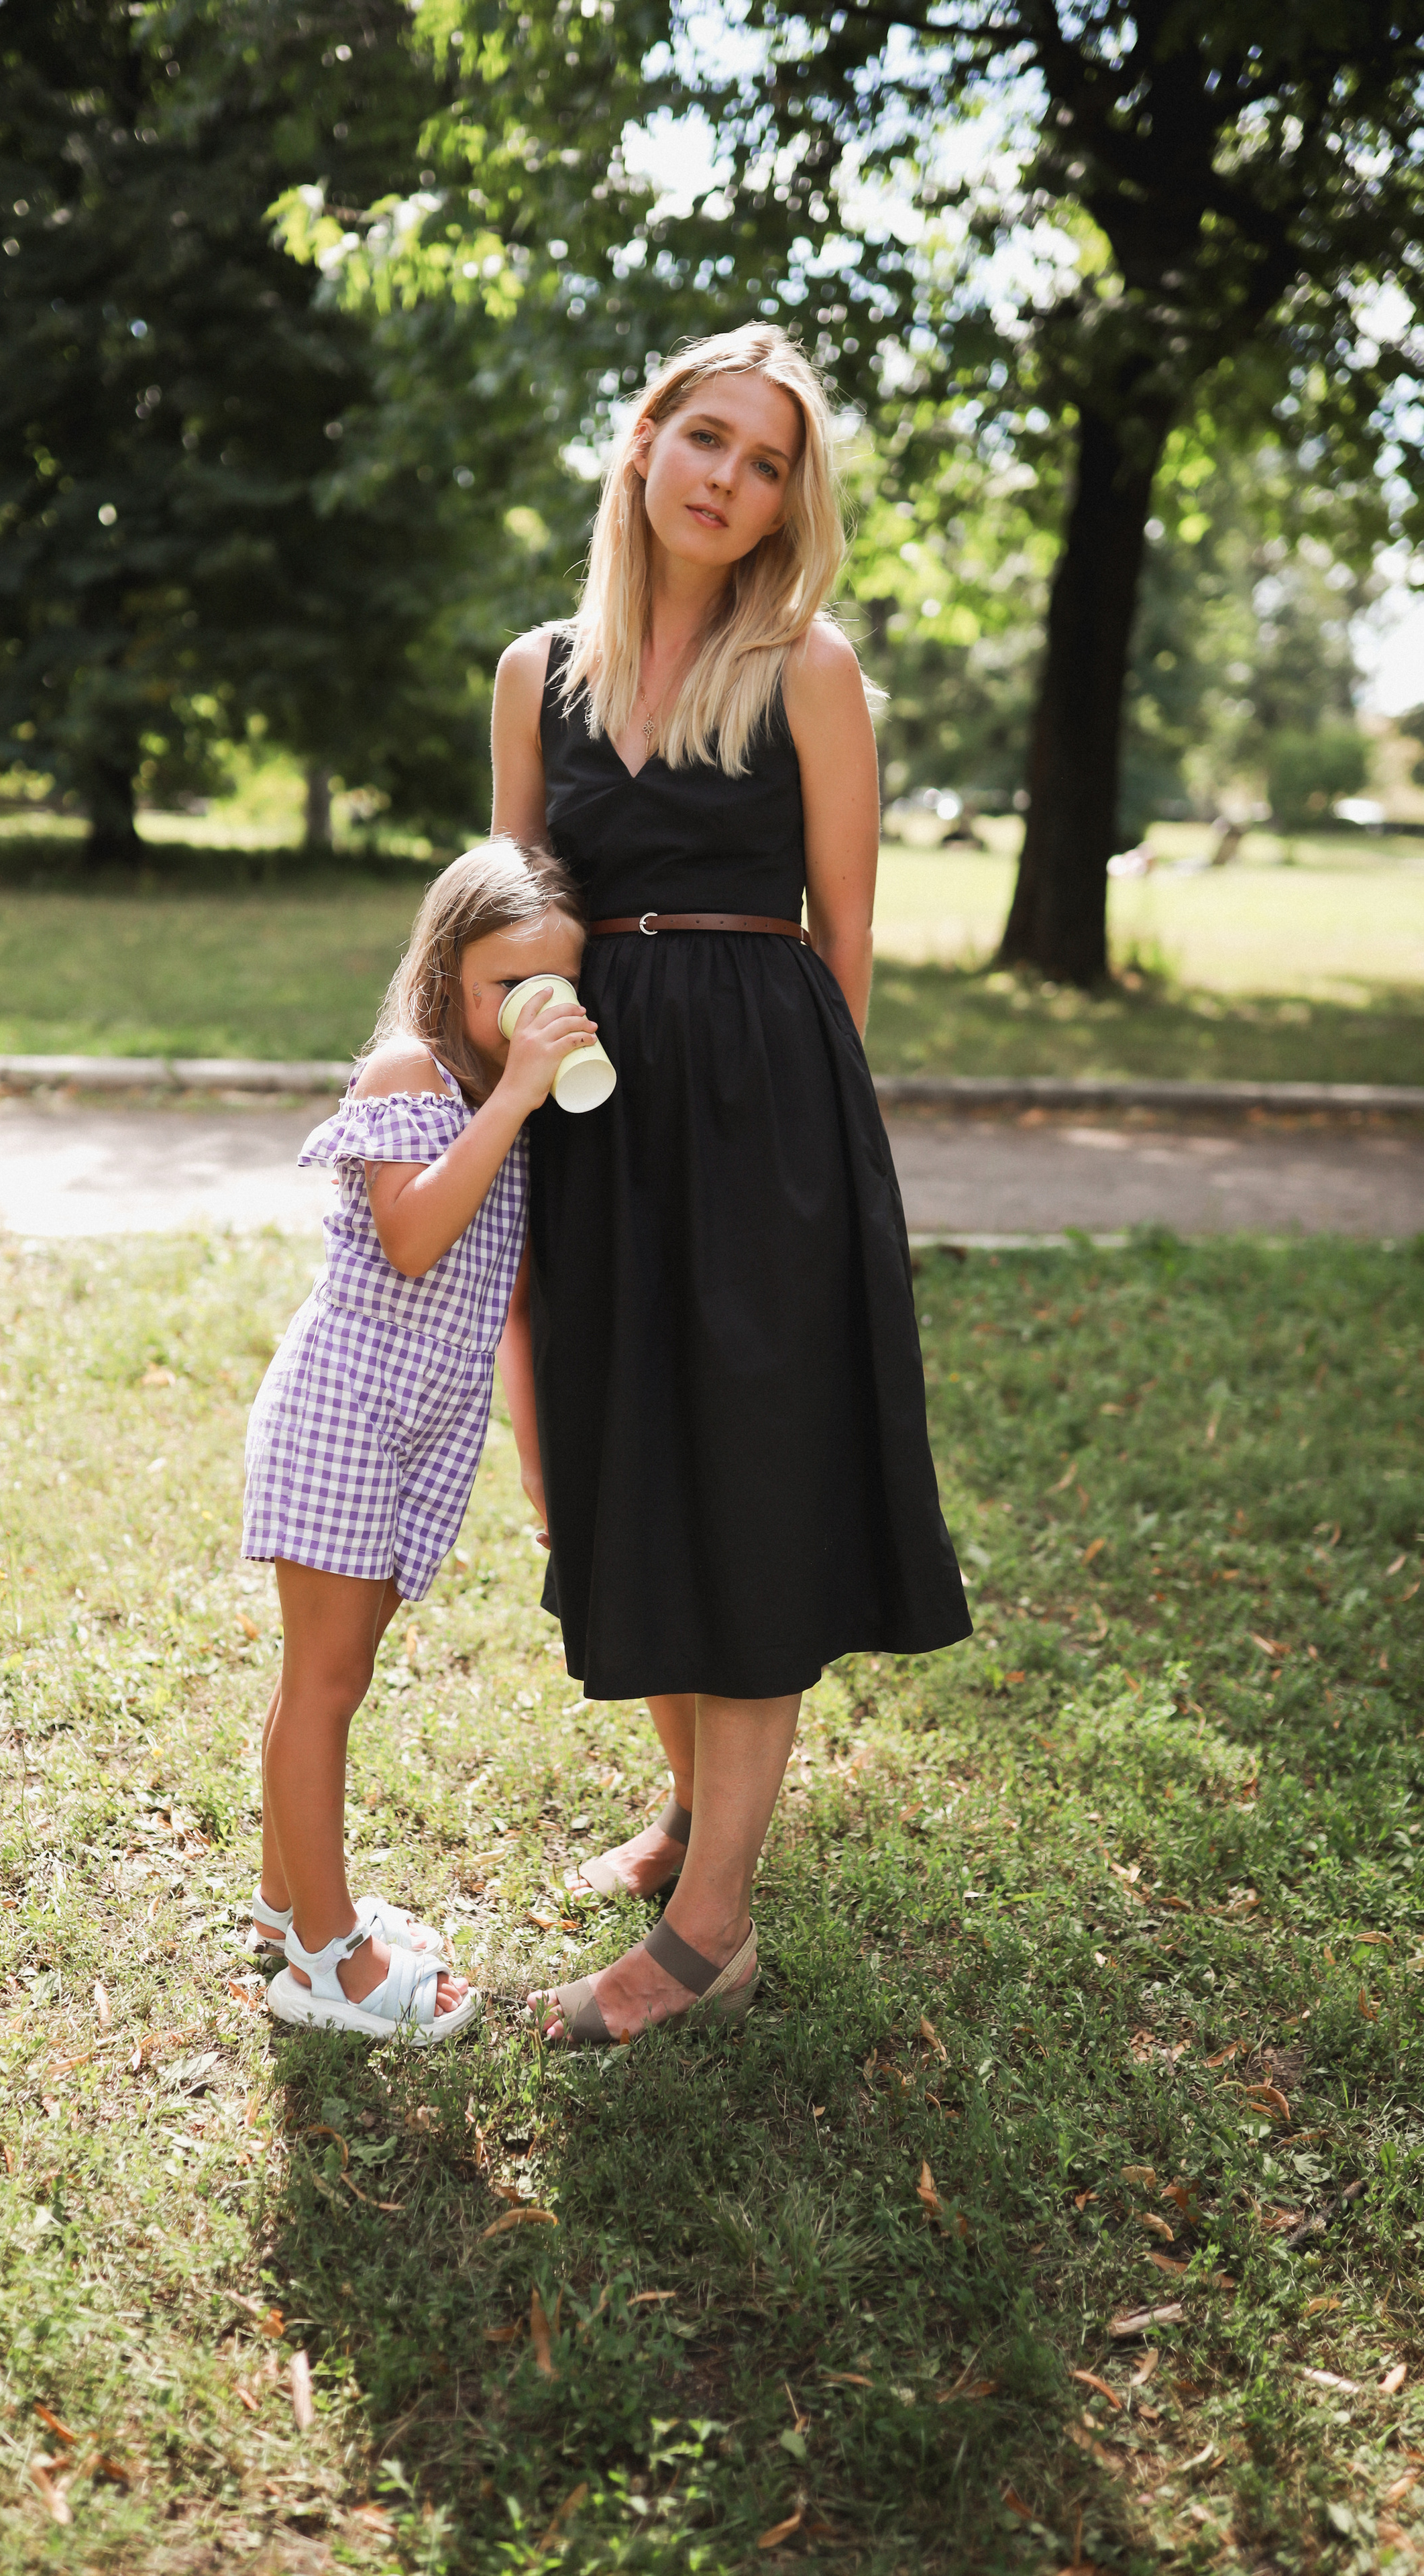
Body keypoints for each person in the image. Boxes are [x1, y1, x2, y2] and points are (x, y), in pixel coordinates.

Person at [491, 325, 973, 2047]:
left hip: (762, 1109)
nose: (728, 479)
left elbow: (844, 937)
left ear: (786, 503)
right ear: (642, 443)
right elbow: (513, 912)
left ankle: (712, 1929)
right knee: (619, 1462)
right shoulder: (535, 669)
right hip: (589, 1103)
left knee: (751, 1480)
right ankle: (693, 1805)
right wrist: (486, 1074)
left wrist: (802, 1165)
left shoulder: (805, 668)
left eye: (767, 464)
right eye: (706, 438)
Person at [241, 839, 595, 2040]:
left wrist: (536, 1462)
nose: (535, 1008)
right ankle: (329, 1962)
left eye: (559, 986)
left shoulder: (511, 1109)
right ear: (447, 976)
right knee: (325, 1686)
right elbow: (410, 1237)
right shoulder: (414, 1072)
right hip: (343, 1415)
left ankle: (288, 1912)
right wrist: (516, 1095)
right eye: (510, 987)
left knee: (325, 1679)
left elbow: (507, 1299)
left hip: (414, 1432)